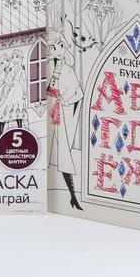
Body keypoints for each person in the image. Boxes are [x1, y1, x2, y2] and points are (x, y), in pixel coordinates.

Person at [47, 30, 83, 210]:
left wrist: (66, 101)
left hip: (62, 115)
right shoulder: (49, 68)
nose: (59, 50)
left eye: (61, 45)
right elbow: (48, 89)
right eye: (54, 48)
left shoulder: (68, 69)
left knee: (63, 156)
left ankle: (73, 196)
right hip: (51, 115)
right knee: (52, 153)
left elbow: (79, 93)